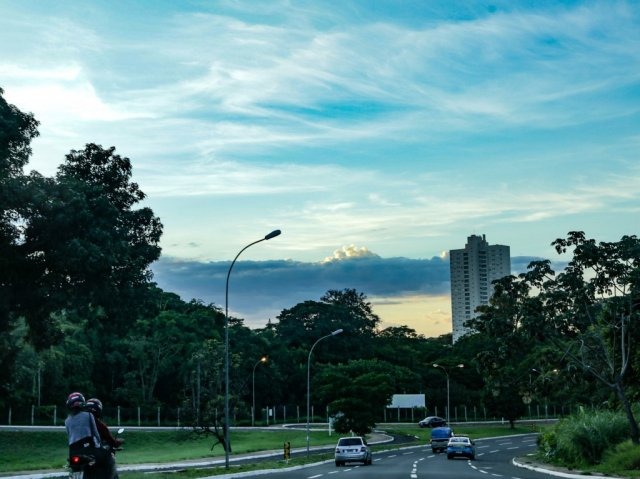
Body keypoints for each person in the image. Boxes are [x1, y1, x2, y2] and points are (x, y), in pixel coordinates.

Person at [85, 398, 122, 479]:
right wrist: (117, 442)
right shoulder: (99, 425)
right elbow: (111, 440)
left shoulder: (78, 423)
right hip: (94, 453)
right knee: (110, 460)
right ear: (98, 410)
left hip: (77, 452)